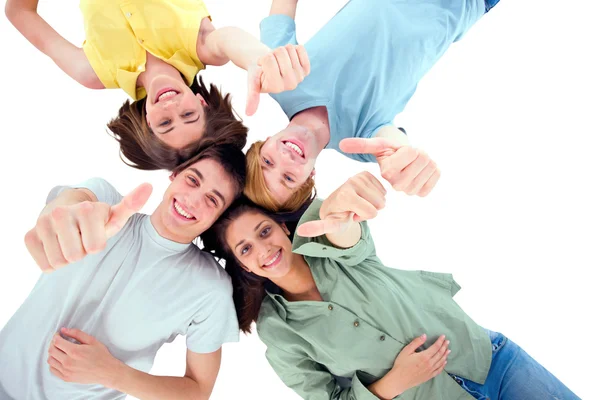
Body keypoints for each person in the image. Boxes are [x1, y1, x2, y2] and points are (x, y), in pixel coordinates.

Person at [202, 171, 581, 400]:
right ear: (240, 263)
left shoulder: (323, 242)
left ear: (283, 226)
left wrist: (344, 215)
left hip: (490, 360)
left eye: (265, 230)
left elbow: (351, 236)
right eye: (246, 248)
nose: (264, 248)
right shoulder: (278, 330)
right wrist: (396, 381)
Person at [0, 145, 245, 399]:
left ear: (219, 217)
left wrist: (112, 373)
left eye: (212, 200)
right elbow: (66, 208)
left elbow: (198, 390)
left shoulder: (209, 288)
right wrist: (64, 217)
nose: (193, 200)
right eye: (192, 180)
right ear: (175, 174)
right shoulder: (103, 204)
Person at [244, 0, 500, 212]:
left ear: (263, 142)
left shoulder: (277, 80)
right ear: (310, 177)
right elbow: (391, 145)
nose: (284, 160)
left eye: (267, 161)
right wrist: (402, 154)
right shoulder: (360, 141)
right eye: (288, 178)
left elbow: (280, 12)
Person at [4, 0, 310, 170]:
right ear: (202, 103)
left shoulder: (93, 72)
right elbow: (229, 41)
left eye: (165, 123)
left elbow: (18, 11)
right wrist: (258, 58)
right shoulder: (200, 47)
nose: (171, 107)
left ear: (148, 123)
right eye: (187, 116)